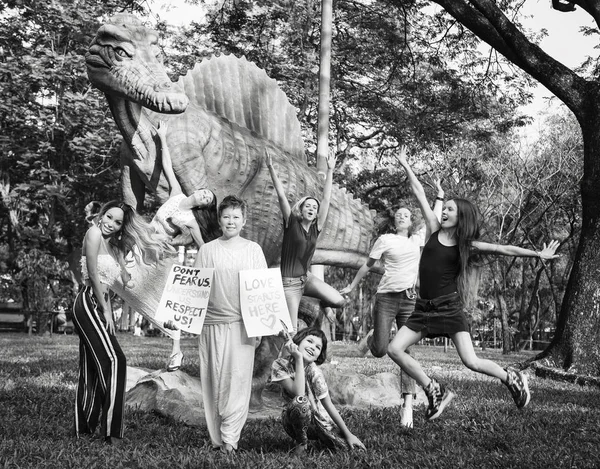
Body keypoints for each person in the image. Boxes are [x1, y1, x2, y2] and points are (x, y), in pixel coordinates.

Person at [387, 146, 560, 422]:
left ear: (460, 217)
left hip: (448, 309)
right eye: (445, 208)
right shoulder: (432, 229)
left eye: (450, 210)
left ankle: (511, 378)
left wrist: (538, 254)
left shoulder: (466, 245)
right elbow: (420, 192)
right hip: (423, 309)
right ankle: (434, 389)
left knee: (471, 361)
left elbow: (504, 249)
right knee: (393, 349)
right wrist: (407, 166)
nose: (444, 211)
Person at [73, 200, 166, 445]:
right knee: (115, 360)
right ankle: (112, 433)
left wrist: (127, 274)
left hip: (101, 303)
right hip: (88, 302)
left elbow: (124, 277)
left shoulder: (114, 247)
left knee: (92, 367)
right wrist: (105, 310)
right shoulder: (93, 233)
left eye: (117, 222)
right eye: (109, 217)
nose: (111, 224)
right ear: (102, 214)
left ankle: (84, 429)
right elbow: (93, 274)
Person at [193, 195, 268, 452]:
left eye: (236, 216)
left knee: (237, 380)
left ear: (244, 221)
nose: (231, 221)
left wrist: (258, 330)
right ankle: (216, 437)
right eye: (226, 216)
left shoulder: (253, 250)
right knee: (213, 378)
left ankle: (231, 439)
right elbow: (195, 290)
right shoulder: (207, 250)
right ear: (219, 219)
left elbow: (261, 293)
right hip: (211, 324)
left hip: (242, 325)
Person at [152, 120, 221, 372]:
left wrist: (173, 242)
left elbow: (204, 246)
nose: (204, 196)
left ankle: (176, 351)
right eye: (205, 193)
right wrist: (162, 137)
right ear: (200, 190)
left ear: (203, 208)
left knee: (171, 303)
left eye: (207, 201)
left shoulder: (191, 221)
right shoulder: (176, 194)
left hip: (161, 253)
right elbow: (167, 165)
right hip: (145, 241)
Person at [266, 149, 345, 335]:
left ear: (317, 213)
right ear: (301, 210)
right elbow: (281, 196)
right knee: (291, 332)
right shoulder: (291, 223)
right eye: (307, 206)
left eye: (314, 207)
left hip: (306, 279)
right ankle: (288, 363)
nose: (311, 208)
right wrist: (271, 167)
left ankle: (315, 300)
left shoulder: (317, 228)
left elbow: (326, 198)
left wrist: (331, 170)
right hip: (289, 284)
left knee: (339, 301)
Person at [270, 327, 366, 454]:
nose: (312, 347)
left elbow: (328, 405)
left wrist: (348, 434)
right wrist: (298, 358)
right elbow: (298, 393)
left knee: (352, 450)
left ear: (318, 356)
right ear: (298, 342)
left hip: (319, 423)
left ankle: (323, 438)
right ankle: (301, 443)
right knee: (301, 402)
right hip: (292, 421)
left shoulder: (315, 372)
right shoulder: (281, 365)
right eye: (309, 341)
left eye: (317, 347)